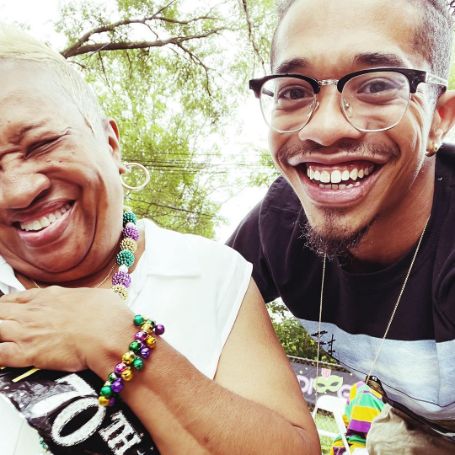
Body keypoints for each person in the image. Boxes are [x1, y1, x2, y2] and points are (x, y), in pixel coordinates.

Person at [0, 25, 320, 455]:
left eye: (41, 144)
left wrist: (120, 342)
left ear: (110, 144)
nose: (18, 191)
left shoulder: (211, 273)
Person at [228, 0, 455, 453]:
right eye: (294, 91)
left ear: (438, 120)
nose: (325, 129)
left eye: (375, 85)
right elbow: (185, 313)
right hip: (410, 422)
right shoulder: (278, 225)